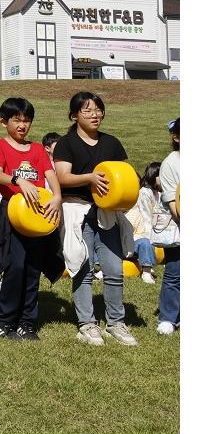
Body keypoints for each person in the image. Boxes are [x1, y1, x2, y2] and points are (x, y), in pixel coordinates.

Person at [54, 91, 138, 346]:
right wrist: (89, 178)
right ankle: (87, 324)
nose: (94, 115)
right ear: (74, 115)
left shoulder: (111, 143)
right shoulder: (66, 144)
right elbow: (62, 177)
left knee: (114, 269)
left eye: (98, 110)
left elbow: (123, 176)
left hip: (108, 213)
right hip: (78, 212)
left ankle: (115, 322)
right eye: (87, 110)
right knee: (83, 268)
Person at [0, 97, 63, 341]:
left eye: (27, 120)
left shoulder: (38, 149)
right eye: (17, 120)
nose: (22, 125)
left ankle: (26, 322)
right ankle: (1, 319)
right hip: (13, 215)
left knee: (32, 268)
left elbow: (50, 174)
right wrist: (19, 180)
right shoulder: (0, 145)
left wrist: (57, 197)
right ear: (4, 122)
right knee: (15, 266)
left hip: (38, 215)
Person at [156, 118, 180, 335]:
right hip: (178, 227)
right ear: (177, 137)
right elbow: (173, 202)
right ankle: (168, 317)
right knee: (175, 272)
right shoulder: (171, 163)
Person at [128, 162, 162, 284]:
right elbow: (147, 217)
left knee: (146, 242)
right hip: (136, 236)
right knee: (145, 243)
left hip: (145, 233)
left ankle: (148, 265)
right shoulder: (144, 193)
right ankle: (146, 271)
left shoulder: (158, 193)